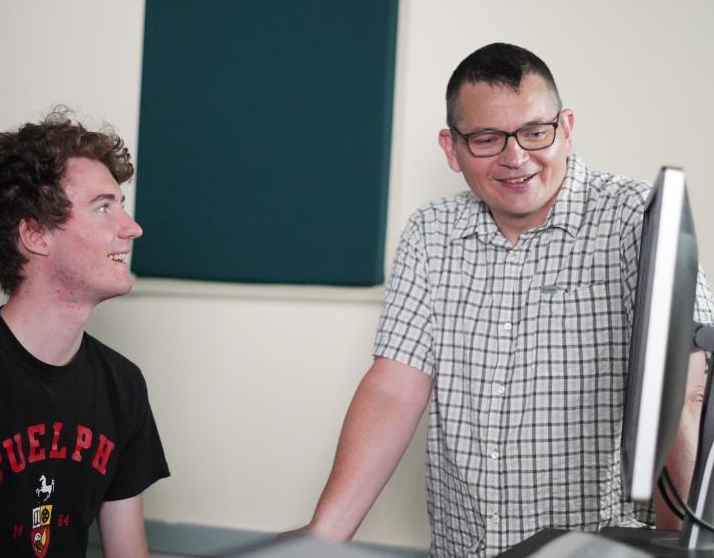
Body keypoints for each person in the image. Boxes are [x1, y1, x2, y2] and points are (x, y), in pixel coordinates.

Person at [291, 43, 714, 556]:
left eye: (536, 133)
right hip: (463, 546)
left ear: (567, 128)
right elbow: (393, 388)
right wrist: (322, 536)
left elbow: (687, 388)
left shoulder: (632, 219)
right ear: (452, 148)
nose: (517, 158)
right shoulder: (431, 234)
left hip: (593, 547)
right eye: (488, 139)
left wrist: (685, 541)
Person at [0, 108, 170, 557]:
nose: (132, 228)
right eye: (104, 208)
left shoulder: (122, 385)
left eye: (121, 206)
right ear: (36, 234)